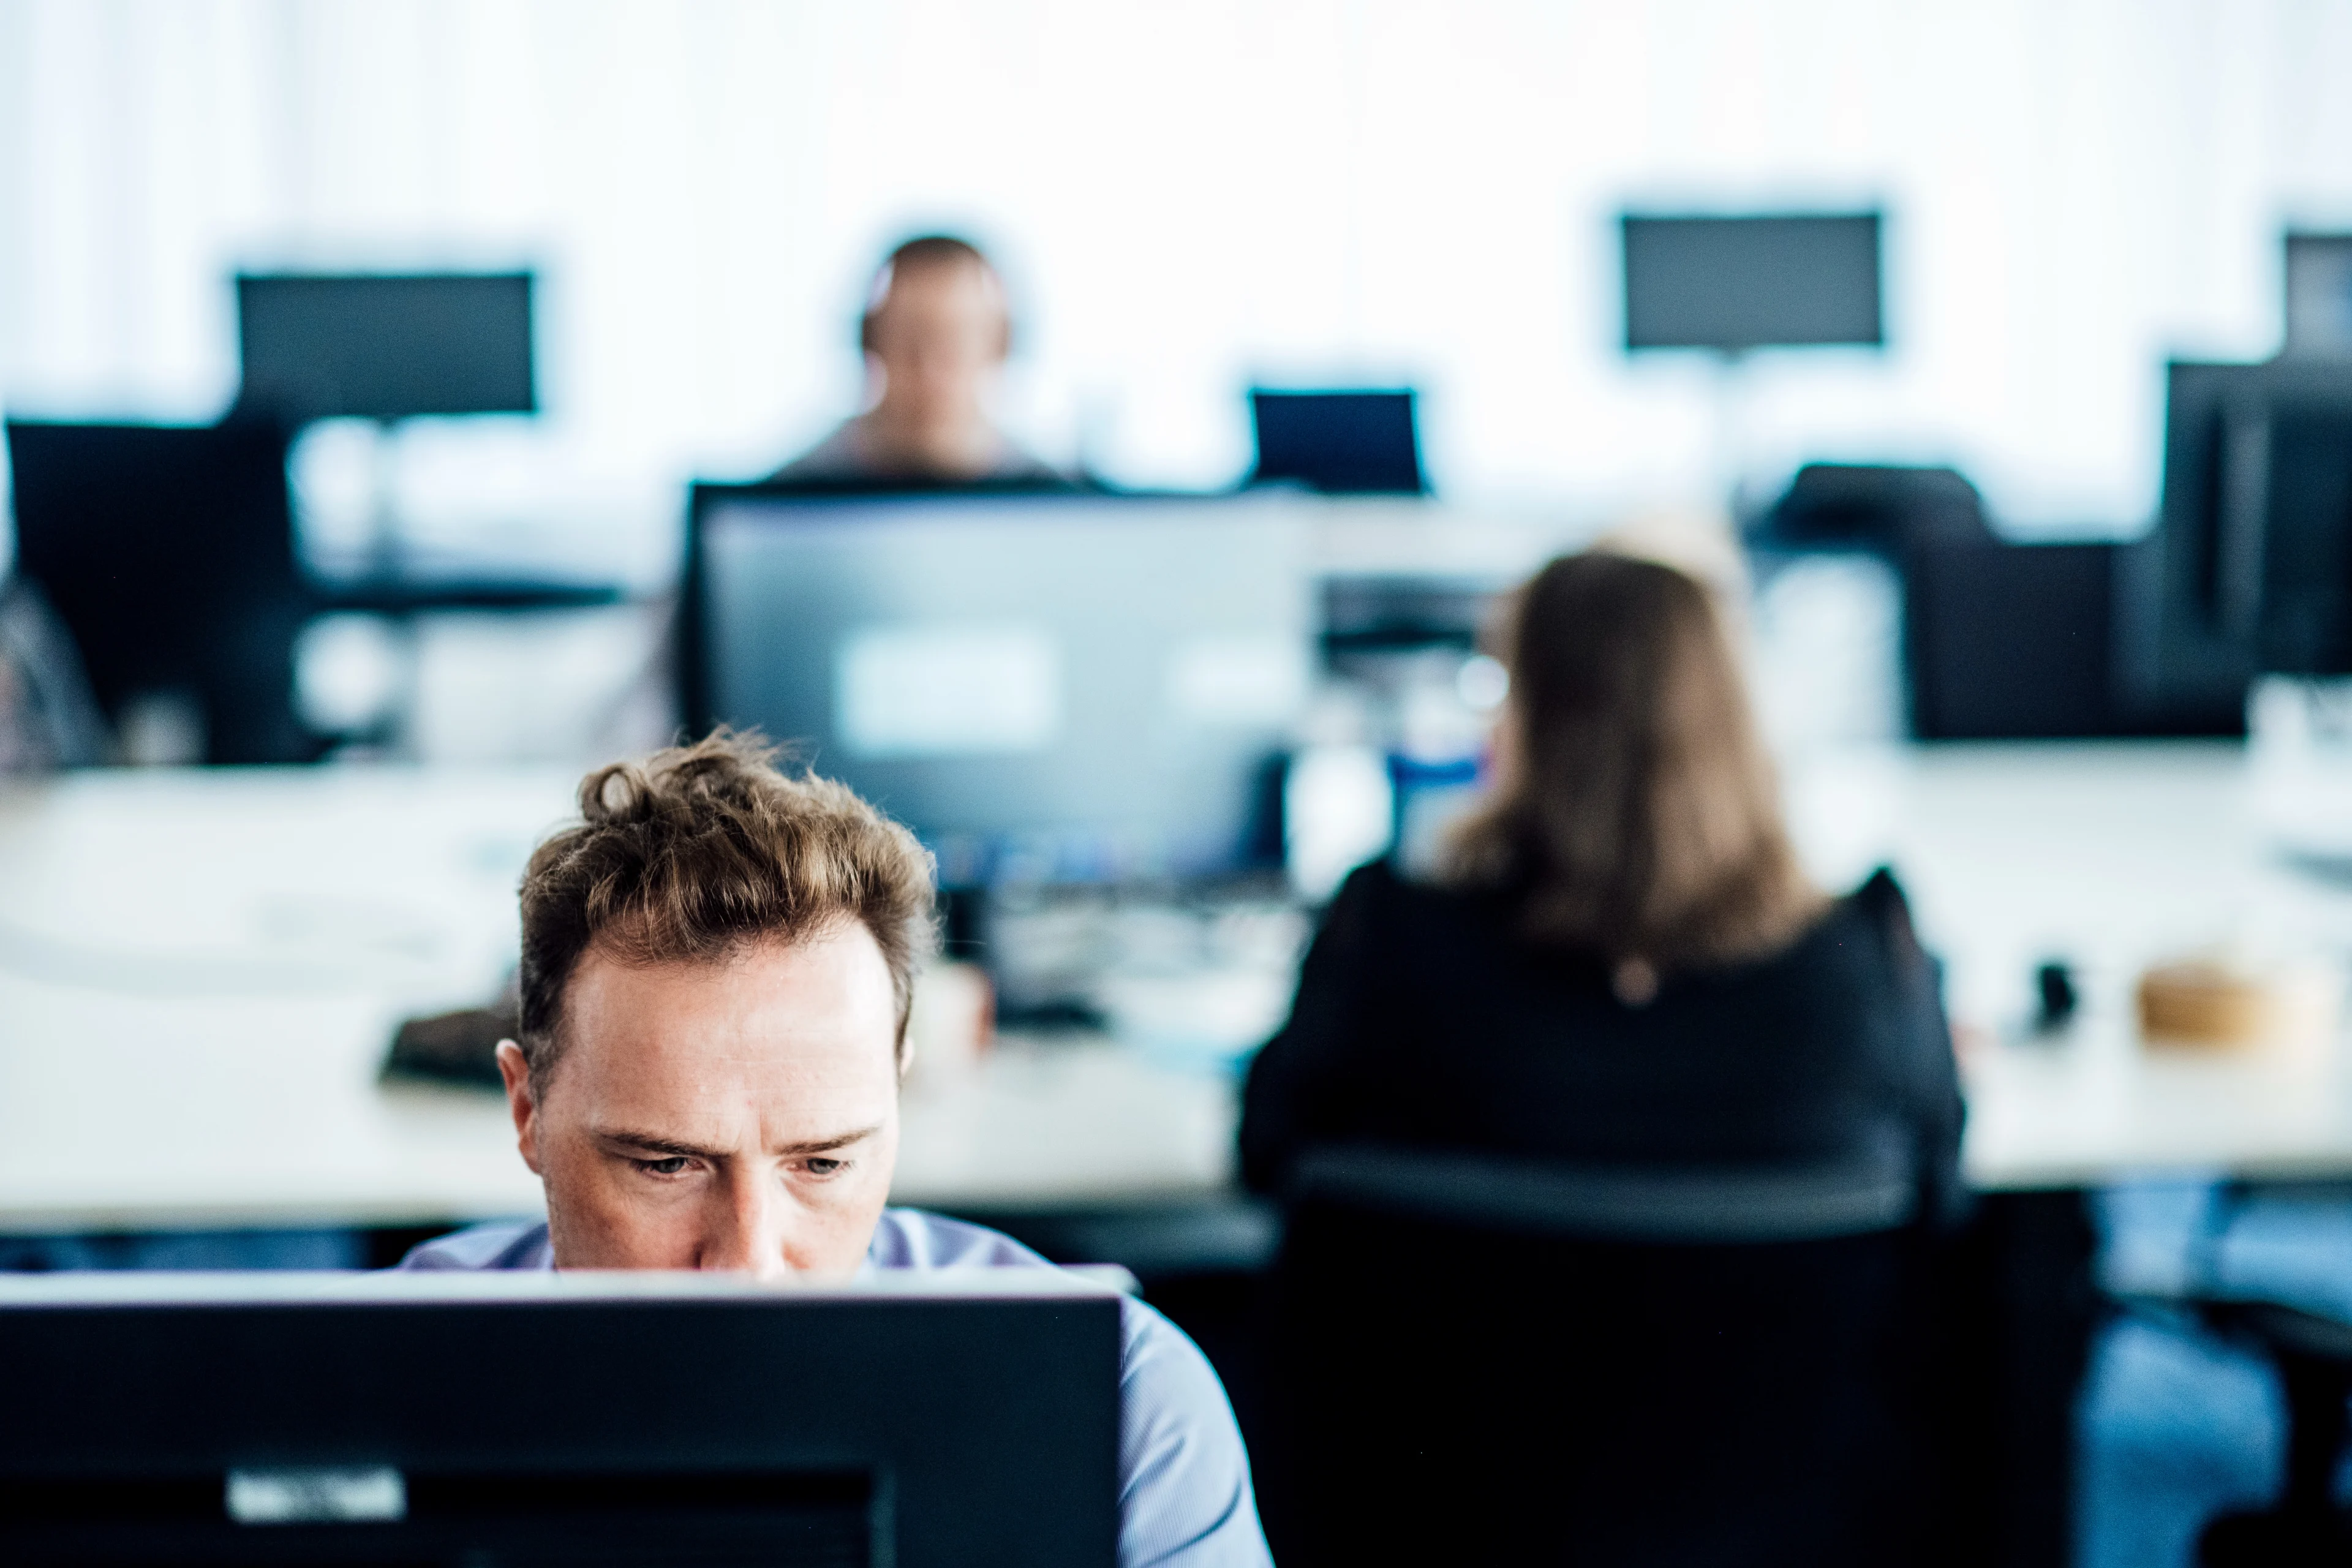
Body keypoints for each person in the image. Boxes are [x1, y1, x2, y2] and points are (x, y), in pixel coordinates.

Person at [401, 731, 1270, 1568]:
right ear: (526, 1111)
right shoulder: (369, 1392)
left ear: (896, 1097)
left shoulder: (1120, 1411)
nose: (751, 1269)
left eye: (821, 1164)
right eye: (666, 1165)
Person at [1240, 550, 1965, 1223]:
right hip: (1788, 1365)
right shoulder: (1863, 966)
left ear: (1518, 724)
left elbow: (1266, 1155)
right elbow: (1940, 1187)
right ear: (1739, 726)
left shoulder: (1387, 943)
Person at [771, 235, 1062, 485]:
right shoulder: (777, 511)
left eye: (956, 341)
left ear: (1001, 346)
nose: (931, 368)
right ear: (870, 342)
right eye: (909, 338)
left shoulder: (1065, 514)